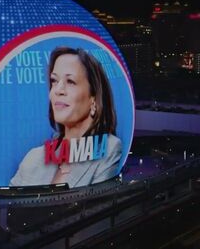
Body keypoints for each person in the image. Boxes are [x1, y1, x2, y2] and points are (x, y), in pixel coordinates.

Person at [9, 46, 122, 188]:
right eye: (54, 81)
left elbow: (95, 207)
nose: (57, 90)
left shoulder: (108, 148)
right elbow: (6, 209)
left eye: (70, 82)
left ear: (93, 98)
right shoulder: (34, 158)